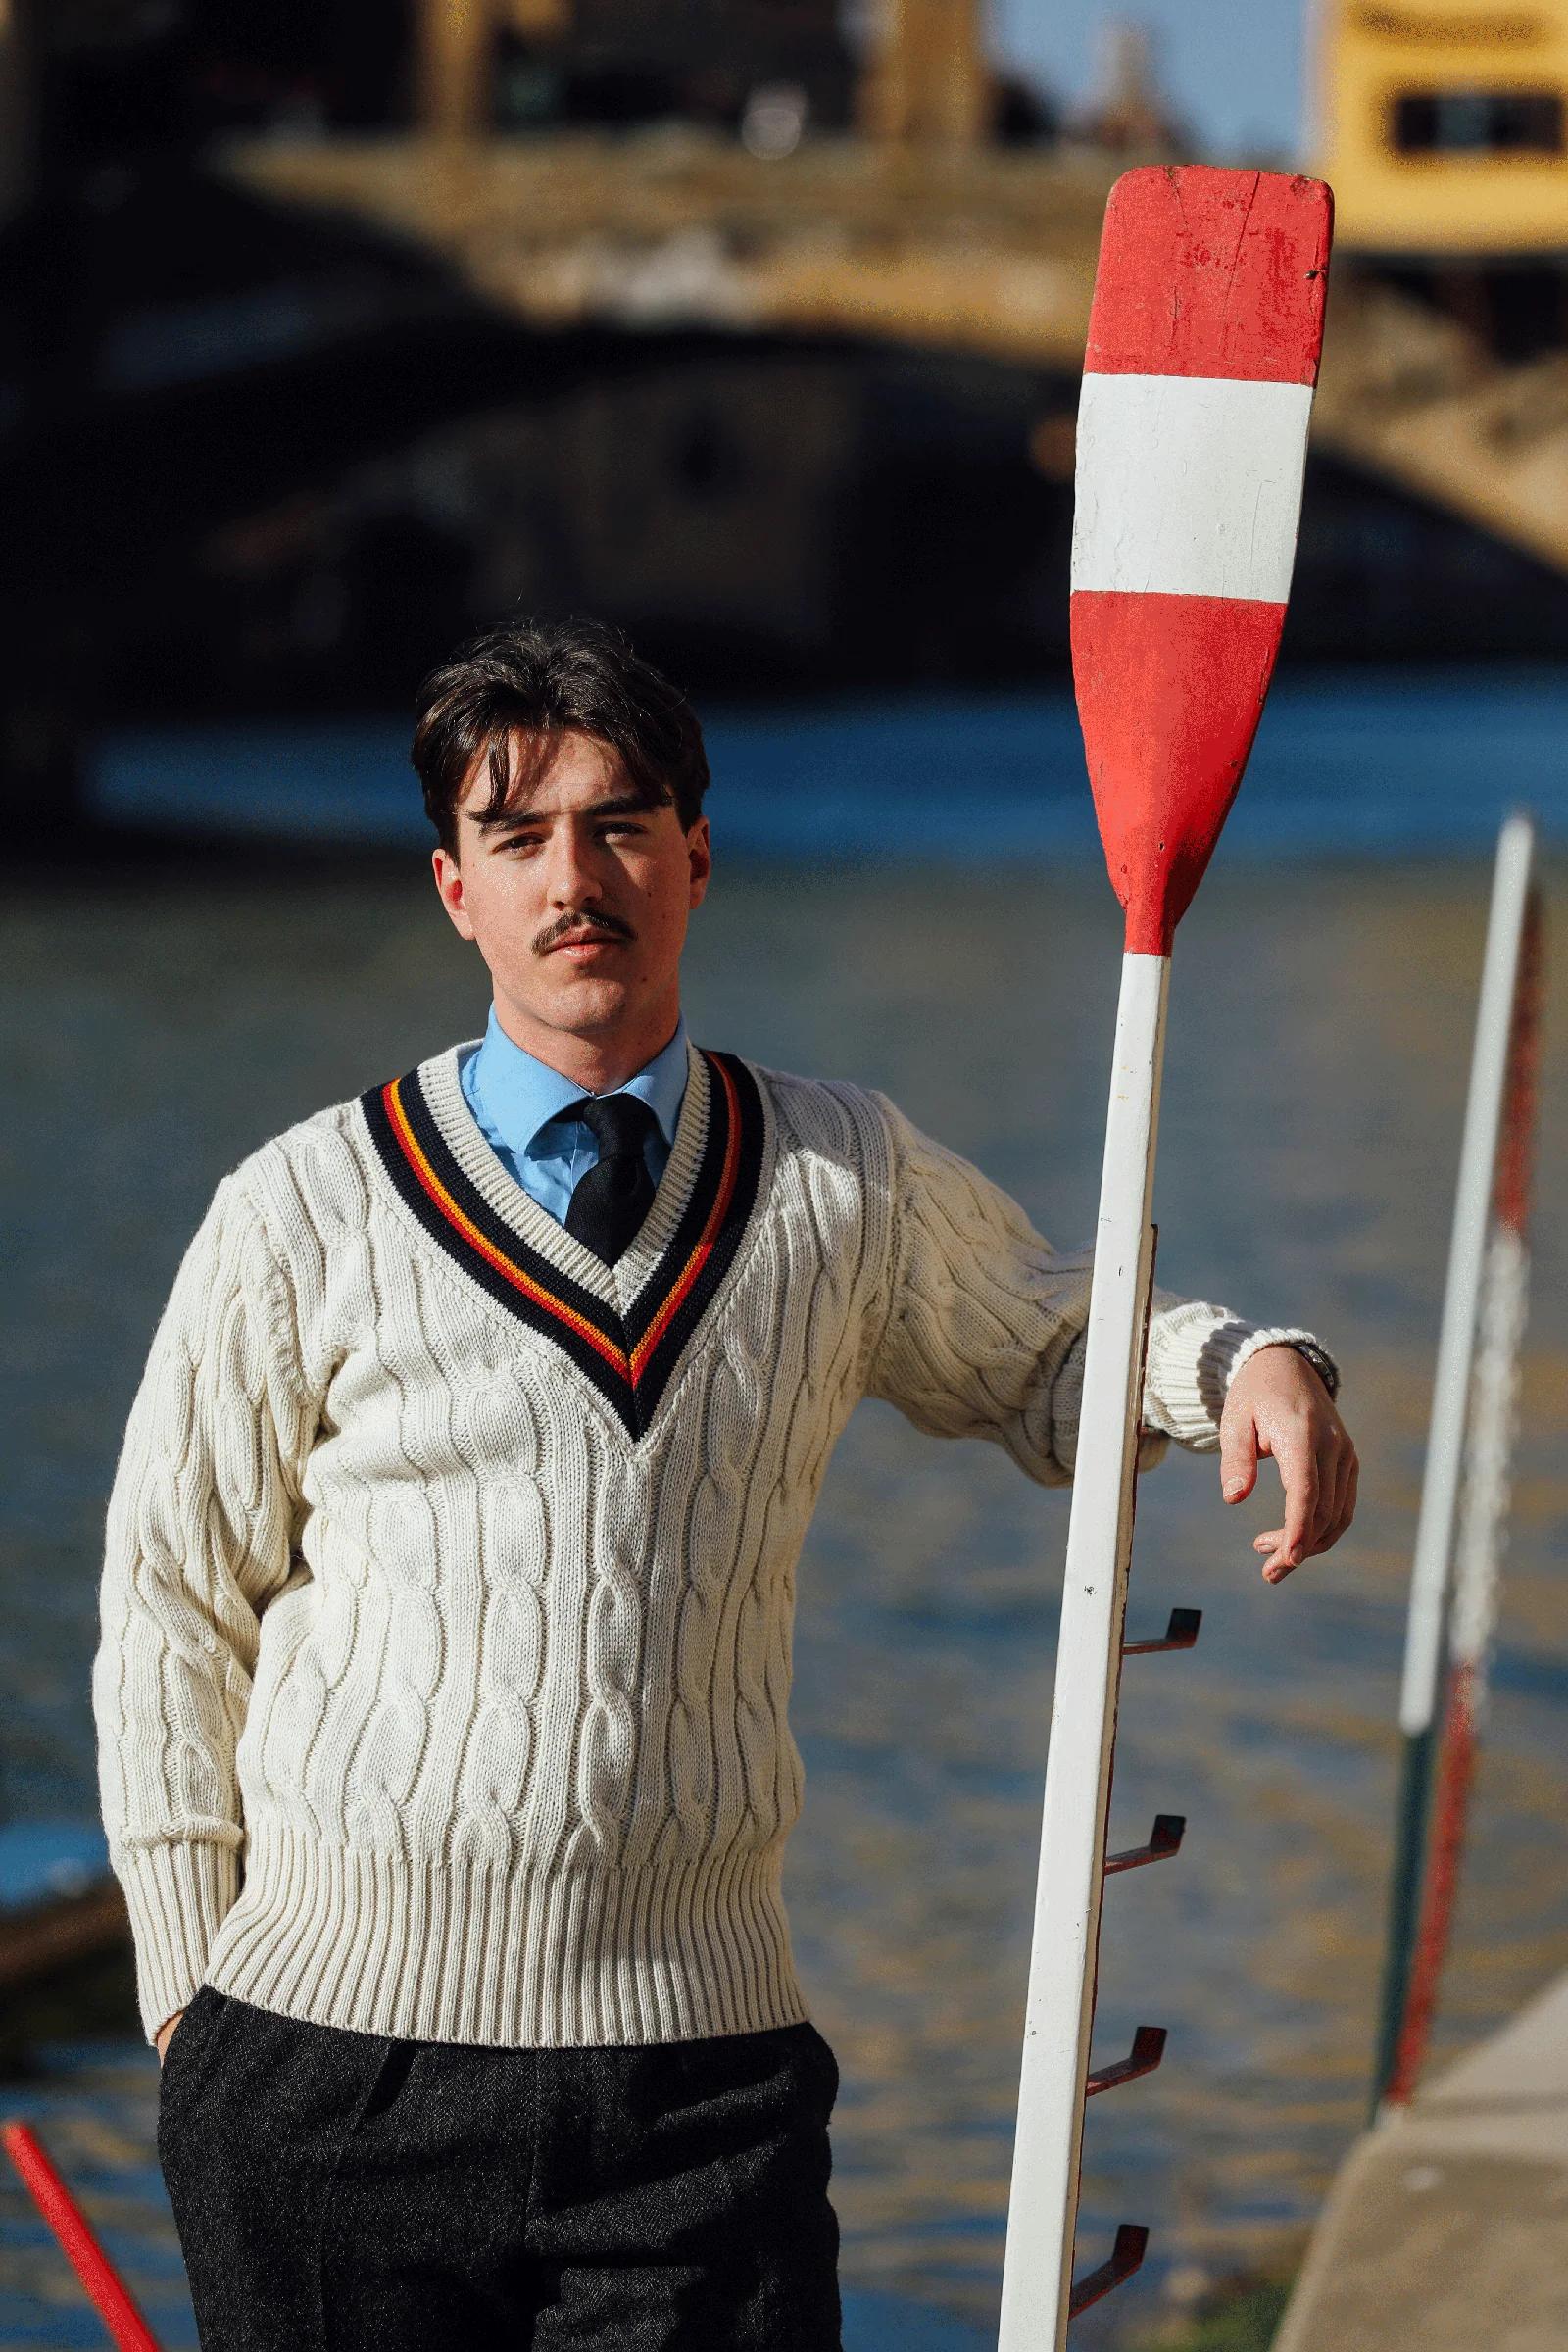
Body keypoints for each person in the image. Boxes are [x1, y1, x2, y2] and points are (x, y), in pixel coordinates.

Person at [93, 614, 1357, 2351]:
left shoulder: (840, 1173)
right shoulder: (304, 1208)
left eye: (618, 824)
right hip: (332, 2086)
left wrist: (1241, 1366)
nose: (572, 878)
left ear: (696, 854)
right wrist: (189, 2007)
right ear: (453, 890)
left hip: (702, 2084)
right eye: (515, 835)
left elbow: (1049, 1347)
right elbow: (170, 1601)